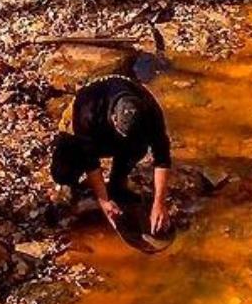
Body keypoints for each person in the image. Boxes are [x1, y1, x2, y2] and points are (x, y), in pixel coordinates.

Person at [49, 75, 172, 234]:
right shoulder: (88, 107)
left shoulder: (149, 110)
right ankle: (73, 187)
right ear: (114, 117)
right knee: (62, 171)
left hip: (119, 132)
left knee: (138, 145)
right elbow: (90, 160)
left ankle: (117, 184)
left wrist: (159, 203)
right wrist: (103, 201)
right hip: (85, 131)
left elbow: (162, 157)